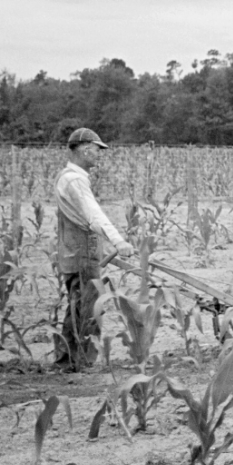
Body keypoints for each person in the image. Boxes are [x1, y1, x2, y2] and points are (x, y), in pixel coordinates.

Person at [53, 127, 134, 370]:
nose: (99, 155)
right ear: (86, 149)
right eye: (98, 150)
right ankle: (82, 363)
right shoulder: (75, 180)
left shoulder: (65, 176)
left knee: (77, 305)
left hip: (73, 250)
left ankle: (66, 359)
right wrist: (118, 241)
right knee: (90, 307)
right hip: (82, 252)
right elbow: (94, 215)